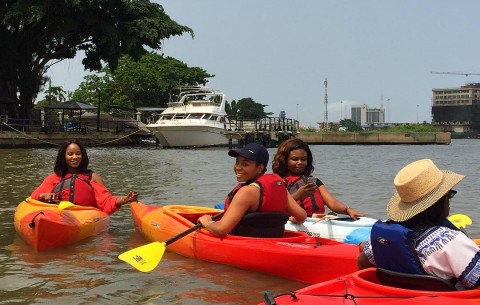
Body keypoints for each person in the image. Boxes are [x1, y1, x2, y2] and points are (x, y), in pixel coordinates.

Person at [357, 159, 480, 289]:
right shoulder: (451, 241)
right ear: (437, 202)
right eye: (449, 195)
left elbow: (362, 263)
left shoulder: (385, 236)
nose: (449, 201)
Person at [197, 143, 307, 237]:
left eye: (245, 164)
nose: (238, 168)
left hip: (244, 245)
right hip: (273, 242)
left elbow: (221, 230)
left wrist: (207, 222)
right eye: (237, 162)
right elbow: (301, 216)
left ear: (259, 168)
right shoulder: (278, 187)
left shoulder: (246, 192)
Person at [30, 139, 138, 215]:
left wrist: (124, 199)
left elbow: (106, 201)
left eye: (78, 153)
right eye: (70, 154)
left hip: (85, 215)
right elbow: (34, 197)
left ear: (83, 156)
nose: (74, 157)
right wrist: (43, 195)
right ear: (64, 157)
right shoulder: (55, 177)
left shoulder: (92, 177)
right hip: (59, 214)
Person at [272, 138, 364, 219]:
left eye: (303, 159)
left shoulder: (314, 182)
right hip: (292, 222)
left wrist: (348, 210)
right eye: (295, 159)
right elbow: (275, 207)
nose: (300, 162)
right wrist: (297, 196)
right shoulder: (279, 182)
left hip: (316, 221)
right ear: (284, 160)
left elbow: (332, 203)